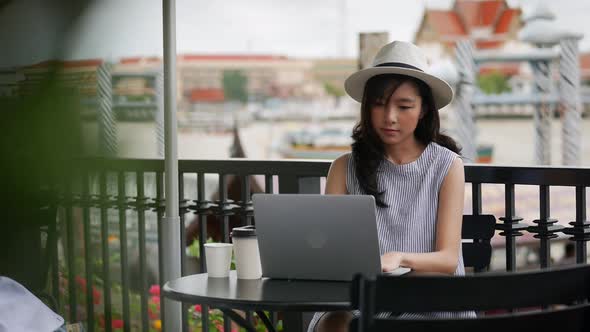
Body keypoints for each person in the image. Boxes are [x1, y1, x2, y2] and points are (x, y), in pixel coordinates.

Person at [308, 41, 472, 332]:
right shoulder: (344, 168)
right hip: (363, 300)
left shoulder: (447, 166)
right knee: (333, 323)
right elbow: (328, 253)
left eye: (404, 106)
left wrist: (399, 258)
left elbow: (448, 259)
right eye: (379, 104)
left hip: (430, 304)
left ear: (423, 109)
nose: (390, 117)